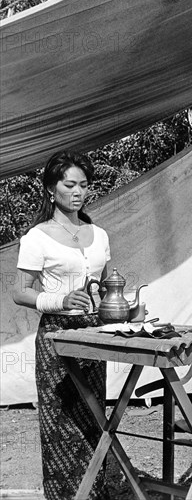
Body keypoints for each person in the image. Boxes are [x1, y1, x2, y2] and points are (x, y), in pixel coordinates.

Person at [13, 151, 111, 500]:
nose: (78, 192)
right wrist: (59, 300)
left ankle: (94, 494)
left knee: (93, 415)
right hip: (56, 336)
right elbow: (19, 292)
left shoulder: (98, 234)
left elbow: (103, 281)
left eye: (84, 185)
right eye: (69, 184)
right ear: (51, 189)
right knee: (60, 422)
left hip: (96, 334)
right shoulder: (36, 237)